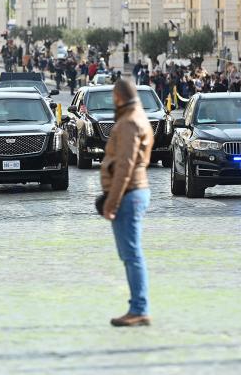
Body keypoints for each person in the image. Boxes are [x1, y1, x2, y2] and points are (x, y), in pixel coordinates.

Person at [101, 78, 154, 327]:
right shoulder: (138, 117)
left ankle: (139, 308)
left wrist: (112, 200)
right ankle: (138, 306)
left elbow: (125, 165)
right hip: (133, 191)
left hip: (129, 192)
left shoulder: (129, 122)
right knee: (130, 253)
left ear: (119, 97)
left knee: (132, 254)